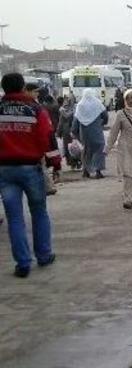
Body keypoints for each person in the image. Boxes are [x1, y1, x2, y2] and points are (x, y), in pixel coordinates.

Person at [0, 73, 61, 278]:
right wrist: (55, 162)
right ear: (23, 87)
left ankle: (23, 263)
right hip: (31, 168)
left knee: (14, 218)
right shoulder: (35, 109)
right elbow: (47, 137)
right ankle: (43, 255)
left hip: (5, 170)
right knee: (39, 212)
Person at [72, 89, 109, 179]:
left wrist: (74, 131)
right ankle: (98, 171)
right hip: (96, 131)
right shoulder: (98, 103)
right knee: (99, 149)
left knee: (86, 150)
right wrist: (102, 123)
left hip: (84, 133)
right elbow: (105, 116)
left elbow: (75, 121)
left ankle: (86, 171)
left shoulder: (80, 105)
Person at [56, 96, 80, 169]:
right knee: (75, 147)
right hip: (74, 131)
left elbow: (60, 123)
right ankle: (76, 161)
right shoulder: (76, 109)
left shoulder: (62, 110)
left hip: (66, 131)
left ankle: (72, 163)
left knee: (68, 148)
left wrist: (58, 132)